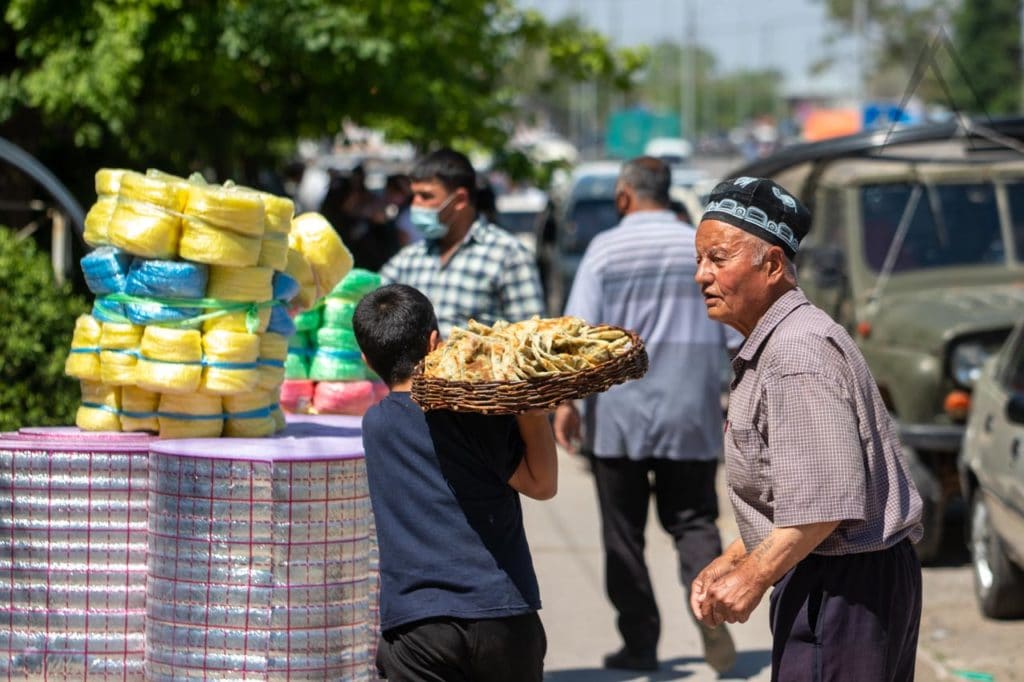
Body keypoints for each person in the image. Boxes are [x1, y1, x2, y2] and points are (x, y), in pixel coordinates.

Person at [690, 177, 924, 681]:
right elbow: (795, 494)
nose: (702, 276)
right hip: (841, 577)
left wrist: (751, 578)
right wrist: (732, 558)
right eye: (699, 260)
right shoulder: (782, 342)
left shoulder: (796, 354)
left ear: (772, 265)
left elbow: (824, 506)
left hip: (845, 586)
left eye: (718, 259)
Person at [553, 156, 740, 674]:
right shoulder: (700, 249)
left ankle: (640, 645)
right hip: (692, 410)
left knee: (622, 534)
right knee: (694, 521)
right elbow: (733, 332)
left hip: (618, 412)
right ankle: (711, 612)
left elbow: (576, 335)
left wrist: (566, 405)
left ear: (623, 197)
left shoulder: (605, 249)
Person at [353, 283, 558, 681]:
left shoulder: (374, 425)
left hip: (416, 627)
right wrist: (532, 415)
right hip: (501, 614)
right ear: (435, 342)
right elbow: (542, 484)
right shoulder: (475, 414)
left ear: (366, 359)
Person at [379, 148, 545, 337]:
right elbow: (370, 298)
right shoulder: (410, 258)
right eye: (414, 195)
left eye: (426, 196)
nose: (415, 204)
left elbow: (533, 338)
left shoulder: (508, 255)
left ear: (460, 199)